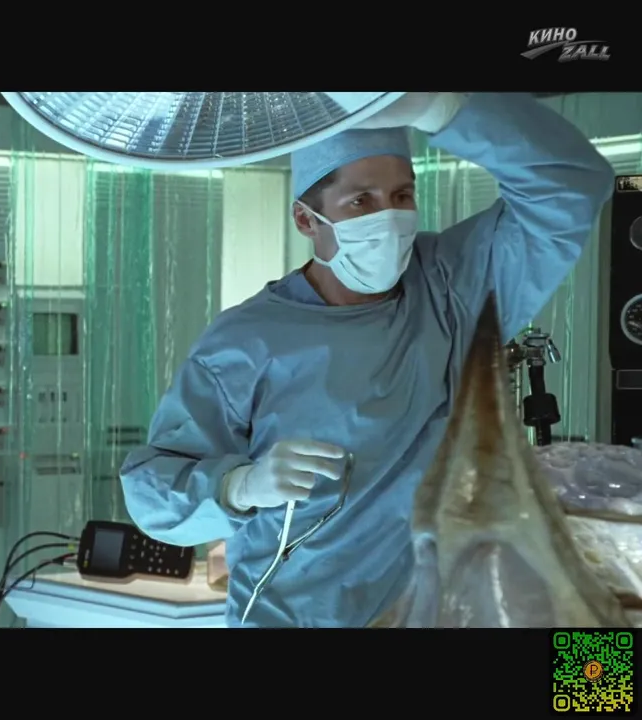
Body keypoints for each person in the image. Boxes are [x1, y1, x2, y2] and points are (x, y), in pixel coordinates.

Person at [119, 92, 614, 627]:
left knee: (602, 671)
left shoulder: (450, 287)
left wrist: (439, 108)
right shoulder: (246, 342)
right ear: (306, 220)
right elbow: (153, 494)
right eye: (361, 201)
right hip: (295, 619)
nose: (389, 217)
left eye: (402, 195)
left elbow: (573, 184)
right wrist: (239, 487)